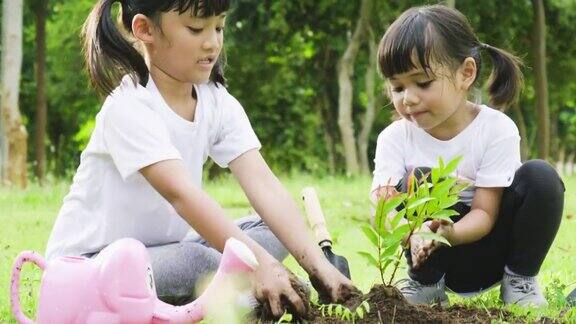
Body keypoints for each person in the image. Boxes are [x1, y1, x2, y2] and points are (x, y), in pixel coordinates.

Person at [45, 0, 355, 316]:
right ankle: (247, 300)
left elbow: (264, 185)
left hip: (165, 252)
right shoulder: (129, 106)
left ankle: (253, 288)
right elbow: (183, 195)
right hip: (90, 267)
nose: (213, 42)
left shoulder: (217, 101)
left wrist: (318, 265)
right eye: (196, 29)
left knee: (273, 230)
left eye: (219, 26)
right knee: (200, 262)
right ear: (145, 29)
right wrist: (261, 264)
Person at [371, 5, 564, 307]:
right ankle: (426, 286)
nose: (407, 98)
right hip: (430, 259)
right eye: (397, 87)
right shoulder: (394, 138)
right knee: (419, 178)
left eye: (422, 83)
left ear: (466, 73)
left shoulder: (496, 129)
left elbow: (485, 214)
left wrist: (451, 232)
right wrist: (413, 232)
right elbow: (383, 209)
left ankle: (520, 283)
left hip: (488, 250)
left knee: (541, 176)